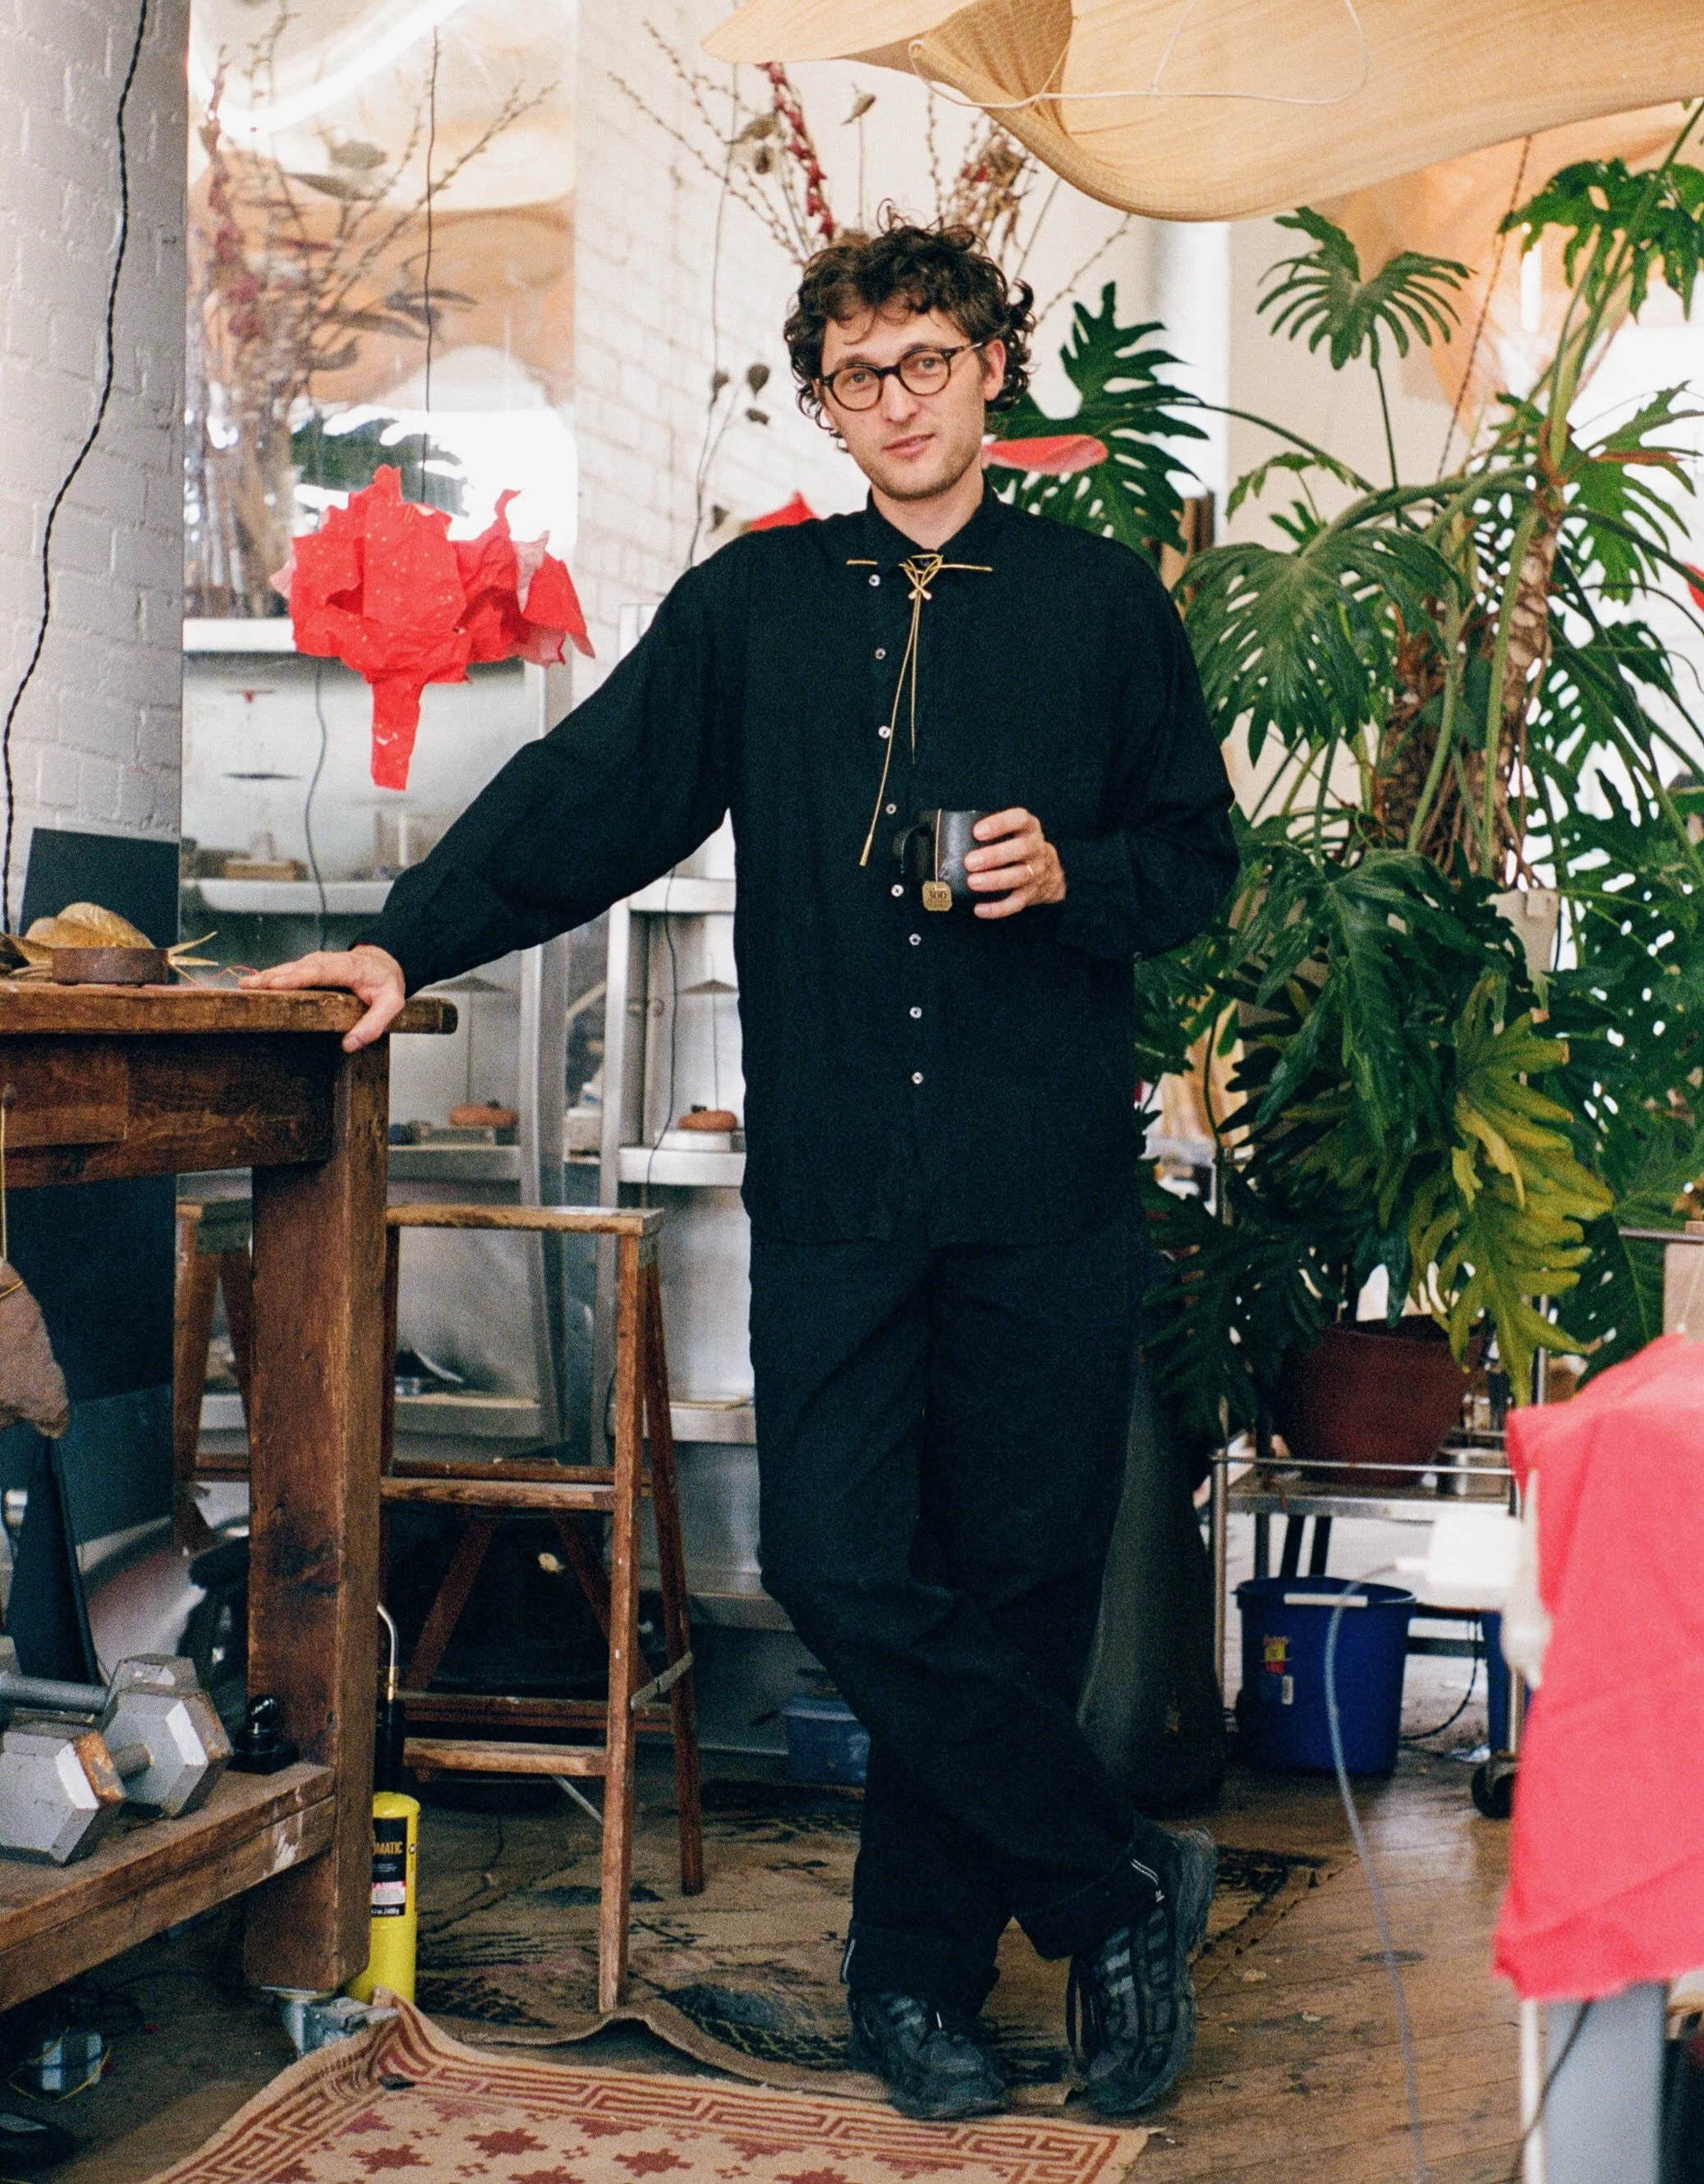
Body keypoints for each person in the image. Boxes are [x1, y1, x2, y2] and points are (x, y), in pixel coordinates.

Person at [247, 220, 1239, 2124]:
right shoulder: (756, 607)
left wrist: (1081, 878)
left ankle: (916, 1982)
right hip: (843, 1170)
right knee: (840, 1560)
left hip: (1043, 1178)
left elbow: (1198, 856)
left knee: (1016, 1587)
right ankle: (1109, 1882)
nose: (896, 402)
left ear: (990, 365)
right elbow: (593, 791)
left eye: (926, 361)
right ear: (826, 400)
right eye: (857, 375)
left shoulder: (1100, 602)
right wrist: (408, 935)